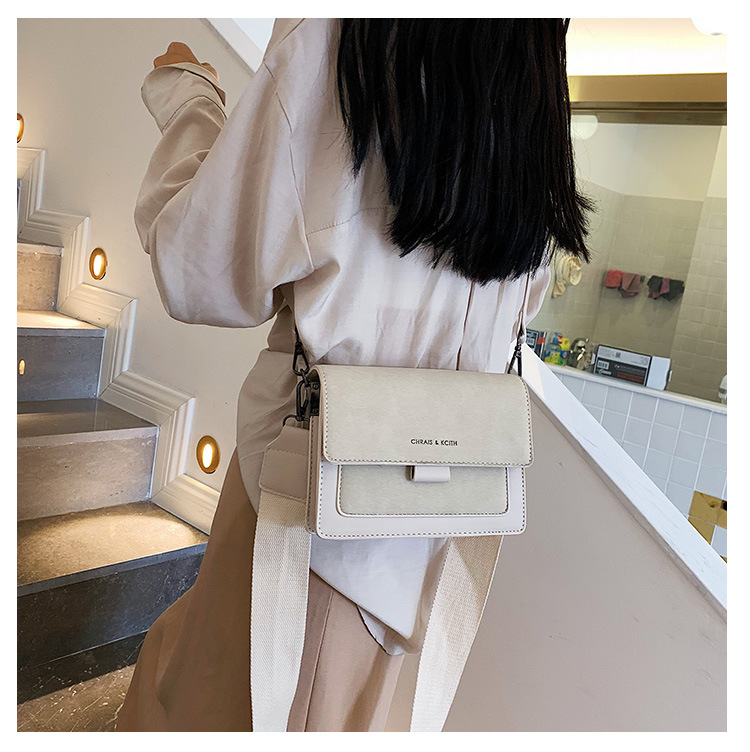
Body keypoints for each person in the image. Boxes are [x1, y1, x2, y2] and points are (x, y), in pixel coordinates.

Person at [115, 18, 591, 732]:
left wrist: (192, 103)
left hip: (305, 522)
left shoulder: (344, 40)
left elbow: (199, 268)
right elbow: (517, 298)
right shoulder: (531, 80)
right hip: (425, 534)